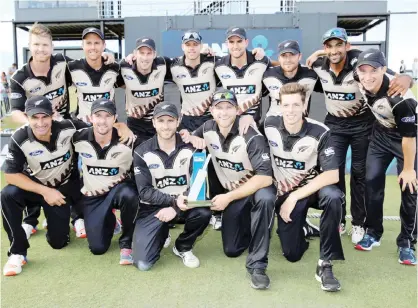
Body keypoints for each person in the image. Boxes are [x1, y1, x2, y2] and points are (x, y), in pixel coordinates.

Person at [306, 27, 413, 243]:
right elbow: (290, 67)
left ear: (347, 46)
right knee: (332, 172)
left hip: (363, 125)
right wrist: (317, 54)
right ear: (324, 48)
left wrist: (407, 77)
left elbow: (388, 73)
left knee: (359, 175)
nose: (334, 50)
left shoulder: (358, 63)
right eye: (329, 46)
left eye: (339, 45)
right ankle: (339, 220)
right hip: (334, 125)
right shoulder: (318, 64)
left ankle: (358, 223)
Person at [187, 89, 276, 290]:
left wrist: (228, 197)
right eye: (219, 108)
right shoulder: (207, 127)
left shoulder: (251, 135)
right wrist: (191, 137)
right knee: (231, 249)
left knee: (266, 199)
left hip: (255, 190)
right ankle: (254, 226)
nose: (224, 113)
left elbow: (265, 177)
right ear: (211, 111)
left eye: (229, 108)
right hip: (235, 196)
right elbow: (186, 136)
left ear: (237, 111)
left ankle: (258, 265)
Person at [265, 82, 345, 291]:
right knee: (292, 254)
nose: (290, 110)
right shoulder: (268, 125)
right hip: (284, 192)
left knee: (334, 196)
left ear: (304, 106)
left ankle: (325, 264)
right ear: (279, 106)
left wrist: (293, 198)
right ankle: (304, 227)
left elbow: (332, 174)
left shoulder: (321, 131)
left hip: (310, 191)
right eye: (286, 105)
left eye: (295, 105)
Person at [1, 96, 83, 276]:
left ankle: (55, 220)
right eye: (34, 118)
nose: (40, 123)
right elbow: (10, 175)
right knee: (7, 194)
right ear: (27, 117)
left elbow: (101, 129)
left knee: (58, 243)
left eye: (44, 117)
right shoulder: (19, 138)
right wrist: (45, 191)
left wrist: (121, 126)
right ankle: (17, 252)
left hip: (60, 191)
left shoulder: (69, 127)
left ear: (53, 115)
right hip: (37, 189)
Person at [353, 49, 417, 265]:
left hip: (407, 138)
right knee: (371, 180)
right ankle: (373, 232)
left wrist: (409, 169)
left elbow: (409, 138)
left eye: (374, 71)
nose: (367, 76)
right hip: (381, 133)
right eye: (363, 70)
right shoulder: (359, 76)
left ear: (382, 70)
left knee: (409, 188)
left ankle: (406, 242)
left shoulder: (400, 99)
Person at [132, 102, 211, 270]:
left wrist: (175, 208)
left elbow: (199, 186)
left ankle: (183, 246)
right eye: (161, 121)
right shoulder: (141, 151)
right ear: (153, 122)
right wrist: (174, 201)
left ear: (178, 121)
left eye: (170, 120)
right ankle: (162, 233)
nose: (166, 126)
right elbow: (144, 192)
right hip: (154, 208)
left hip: (185, 205)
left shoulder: (193, 148)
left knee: (203, 211)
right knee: (143, 264)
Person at [72, 98, 139, 264]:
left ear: (115, 118)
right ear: (90, 118)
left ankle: (127, 243)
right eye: (98, 115)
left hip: (118, 191)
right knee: (98, 248)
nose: (102, 121)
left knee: (129, 194)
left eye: (107, 116)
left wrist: (186, 136)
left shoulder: (128, 140)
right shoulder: (78, 138)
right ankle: (110, 220)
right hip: (93, 195)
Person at [119, 37, 172, 144]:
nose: (145, 57)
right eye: (141, 53)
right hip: (135, 125)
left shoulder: (163, 64)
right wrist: (107, 55)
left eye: (149, 53)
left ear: (155, 54)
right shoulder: (124, 67)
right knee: (135, 157)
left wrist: (204, 52)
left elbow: (186, 62)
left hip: (158, 123)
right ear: (135, 53)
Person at [67, 27, 121, 123]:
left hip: (109, 125)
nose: (93, 47)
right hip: (83, 125)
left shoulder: (114, 67)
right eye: (88, 43)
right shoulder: (72, 67)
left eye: (97, 43)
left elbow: (133, 77)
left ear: (104, 45)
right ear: (82, 45)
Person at [263, 40, 321, 117]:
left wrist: (318, 53)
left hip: (300, 124)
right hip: (273, 123)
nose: (288, 60)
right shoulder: (268, 74)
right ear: (279, 58)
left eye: (292, 55)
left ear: (300, 56)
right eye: (284, 56)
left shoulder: (312, 74)